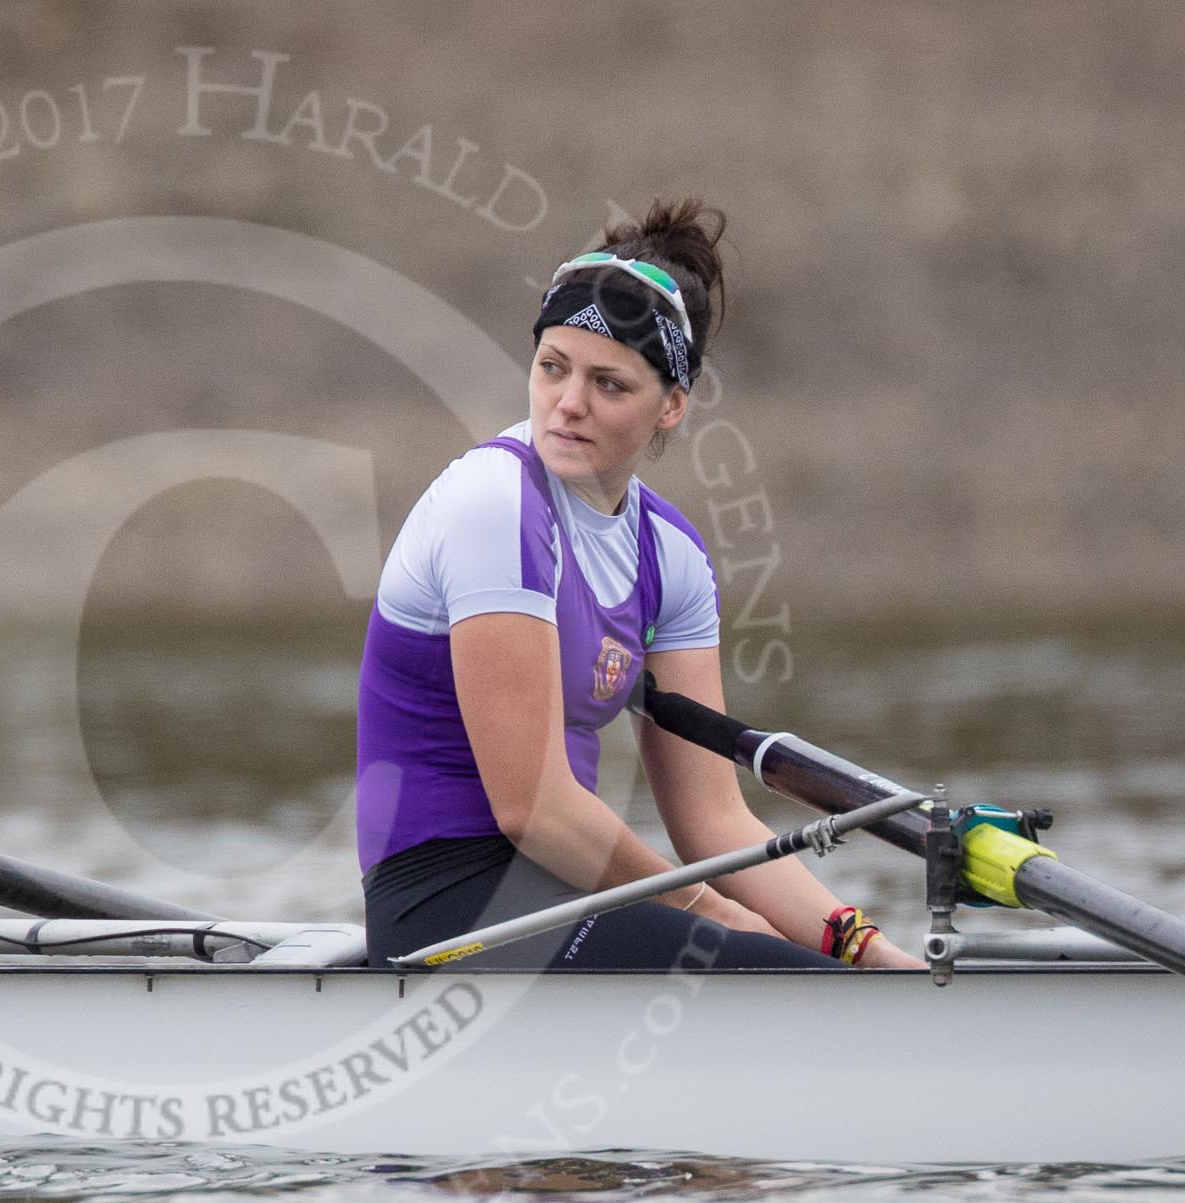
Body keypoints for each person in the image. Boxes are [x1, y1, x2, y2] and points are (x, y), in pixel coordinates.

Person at [357, 199, 919, 971]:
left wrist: (866, 947)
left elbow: (715, 820)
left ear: (671, 407)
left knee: (842, 977)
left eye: (609, 384)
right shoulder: (493, 503)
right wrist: (715, 911)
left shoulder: (671, 556)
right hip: (450, 903)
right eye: (552, 367)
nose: (569, 403)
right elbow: (534, 810)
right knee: (775, 975)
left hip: (567, 893)